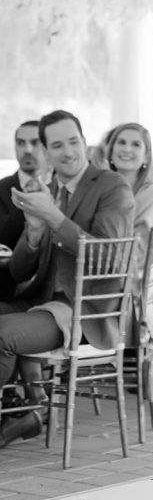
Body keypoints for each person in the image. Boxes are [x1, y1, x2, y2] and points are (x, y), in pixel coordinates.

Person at [0, 110, 134, 448]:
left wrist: (54, 218)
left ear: (85, 141)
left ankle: (23, 414)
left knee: (1, 335)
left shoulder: (111, 185)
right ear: (46, 152)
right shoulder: (50, 189)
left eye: (74, 141)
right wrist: (32, 235)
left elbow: (109, 259)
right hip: (44, 302)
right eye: (57, 145)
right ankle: (21, 414)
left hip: (86, 312)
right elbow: (18, 272)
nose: (68, 152)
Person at [106, 123, 153, 344]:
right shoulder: (103, 189)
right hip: (103, 278)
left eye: (136, 144)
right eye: (121, 142)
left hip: (130, 292)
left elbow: (139, 256)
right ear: (111, 151)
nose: (127, 149)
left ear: (146, 155)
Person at [0, 120, 49, 301]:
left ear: (47, 147)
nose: (27, 149)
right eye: (21, 143)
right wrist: (28, 201)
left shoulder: (63, 189)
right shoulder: (2, 188)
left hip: (53, 290)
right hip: (9, 288)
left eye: (35, 143)